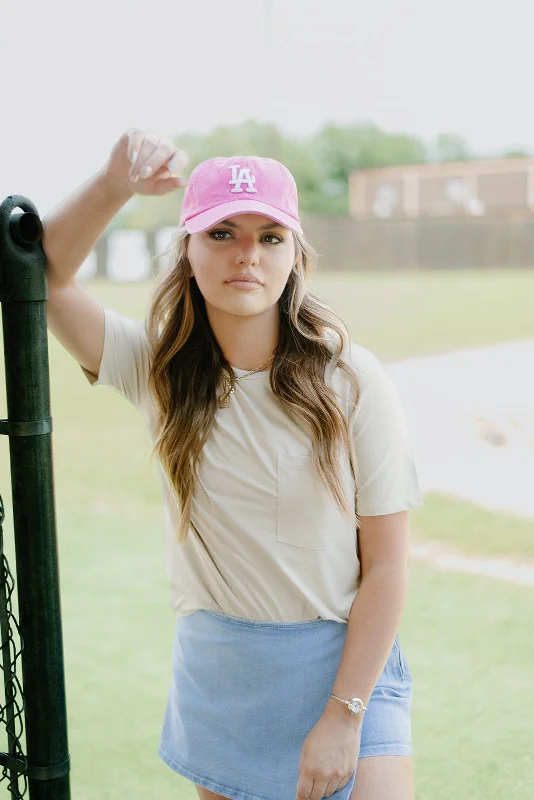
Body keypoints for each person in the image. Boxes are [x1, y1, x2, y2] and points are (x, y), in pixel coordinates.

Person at [43, 128, 423, 800]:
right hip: (225, 676)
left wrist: (344, 714)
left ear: (295, 255)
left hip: (347, 673)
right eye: (222, 233)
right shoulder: (157, 371)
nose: (247, 254)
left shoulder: (352, 381)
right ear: (187, 251)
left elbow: (388, 565)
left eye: (269, 237)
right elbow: (40, 279)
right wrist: (113, 187)